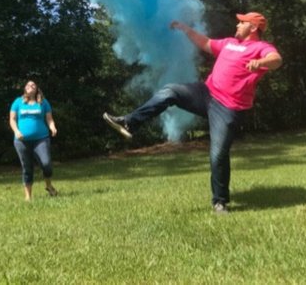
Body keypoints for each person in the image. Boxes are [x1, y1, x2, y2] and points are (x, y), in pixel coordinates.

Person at [103, 12, 282, 214]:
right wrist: (186, 29)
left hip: (228, 107)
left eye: (242, 22)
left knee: (218, 154)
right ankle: (129, 122)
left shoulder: (260, 48)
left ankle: (220, 202)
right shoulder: (229, 43)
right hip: (206, 93)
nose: (237, 25)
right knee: (170, 91)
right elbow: (206, 43)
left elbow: (276, 59)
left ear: (253, 27)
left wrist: (260, 63)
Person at [9, 80, 58, 201]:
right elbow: (12, 119)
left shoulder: (43, 102)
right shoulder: (18, 102)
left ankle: (48, 185)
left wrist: (52, 127)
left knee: (46, 164)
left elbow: (49, 119)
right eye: (28, 85)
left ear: (37, 89)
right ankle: (28, 197)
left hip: (41, 139)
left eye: (33, 85)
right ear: (25, 89)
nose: (30, 86)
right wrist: (16, 131)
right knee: (27, 167)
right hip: (21, 141)